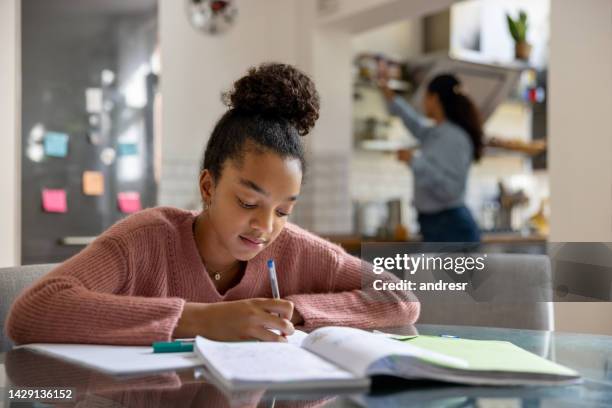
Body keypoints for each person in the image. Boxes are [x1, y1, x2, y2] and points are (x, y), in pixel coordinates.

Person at [6, 63, 419, 345]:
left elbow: (400, 299)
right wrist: (202, 319)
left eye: (283, 210)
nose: (265, 226)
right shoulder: (146, 240)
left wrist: (294, 313)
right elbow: (31, 313)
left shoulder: (294, 250)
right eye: (247, 201)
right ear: (208, 186)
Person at [380, 73, 483, 243]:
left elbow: (451, 190)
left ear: (434, 98)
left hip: (451, 229)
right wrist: (390, 96)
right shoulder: (437, 132)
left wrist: (414, 161)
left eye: (425, 97)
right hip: (435, 225)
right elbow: (415, 124)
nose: (422, 103)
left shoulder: (454, 138)